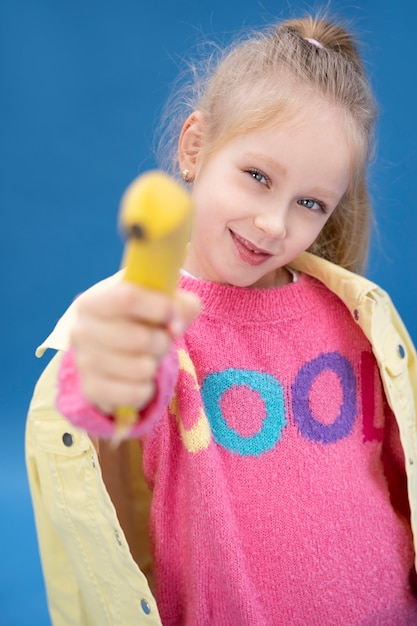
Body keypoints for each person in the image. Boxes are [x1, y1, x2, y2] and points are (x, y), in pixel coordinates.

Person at [26, 13, 417, 626]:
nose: (273, 223)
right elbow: (98, 449)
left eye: (309, 203)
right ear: (195, 147)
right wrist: (101, 376)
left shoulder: (357, 318)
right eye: (258, 176)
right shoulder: (149, 327)